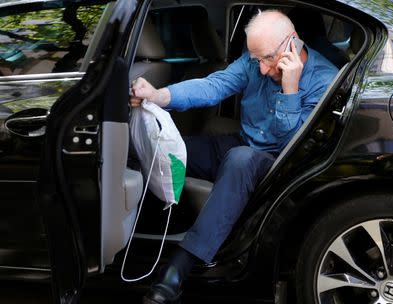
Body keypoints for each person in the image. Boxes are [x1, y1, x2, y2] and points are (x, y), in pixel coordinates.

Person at [130, 9, 338, 304]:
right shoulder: (255, 62)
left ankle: (178, 269)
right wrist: (158, 95)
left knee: (241, 158)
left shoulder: (325, 79)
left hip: (279, 164)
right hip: (240, 145)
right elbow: (214, 86)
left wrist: (290, 90)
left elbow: (292, 145)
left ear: (292, 43)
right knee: (154, 147)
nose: (263, 69)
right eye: (257, 60)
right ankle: (142, 241)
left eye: (268, 58)